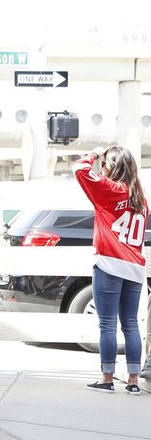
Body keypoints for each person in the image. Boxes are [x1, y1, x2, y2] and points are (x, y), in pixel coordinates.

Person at [75, 146, 146, 395]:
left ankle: (107, 378)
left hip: (109, 264)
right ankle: (134, 381)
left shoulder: (110, 190)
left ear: (112, 168)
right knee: (131, 324)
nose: (102, 168)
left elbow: (80, 170)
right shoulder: (141, 198)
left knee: (107, 324)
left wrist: (93, 153)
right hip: (135, 268)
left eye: (105, 164)